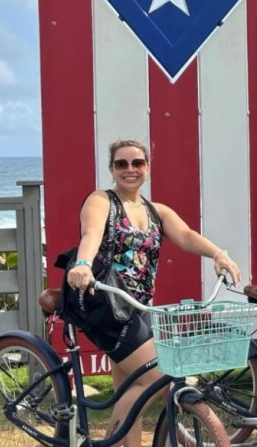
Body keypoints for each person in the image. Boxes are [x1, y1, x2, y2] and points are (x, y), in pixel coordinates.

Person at [66, 139, 241, 447]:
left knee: (130, 388)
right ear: (111, 169)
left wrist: (218, 255)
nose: (130, 169)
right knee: (154, 379)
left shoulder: (155, 211)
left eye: (137, 163)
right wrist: (82, 264)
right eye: (122, 164)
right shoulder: (101, 201)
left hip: (140, 308)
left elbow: (186, 235)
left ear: (147, 168)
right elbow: (91, 234)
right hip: (108, 305)